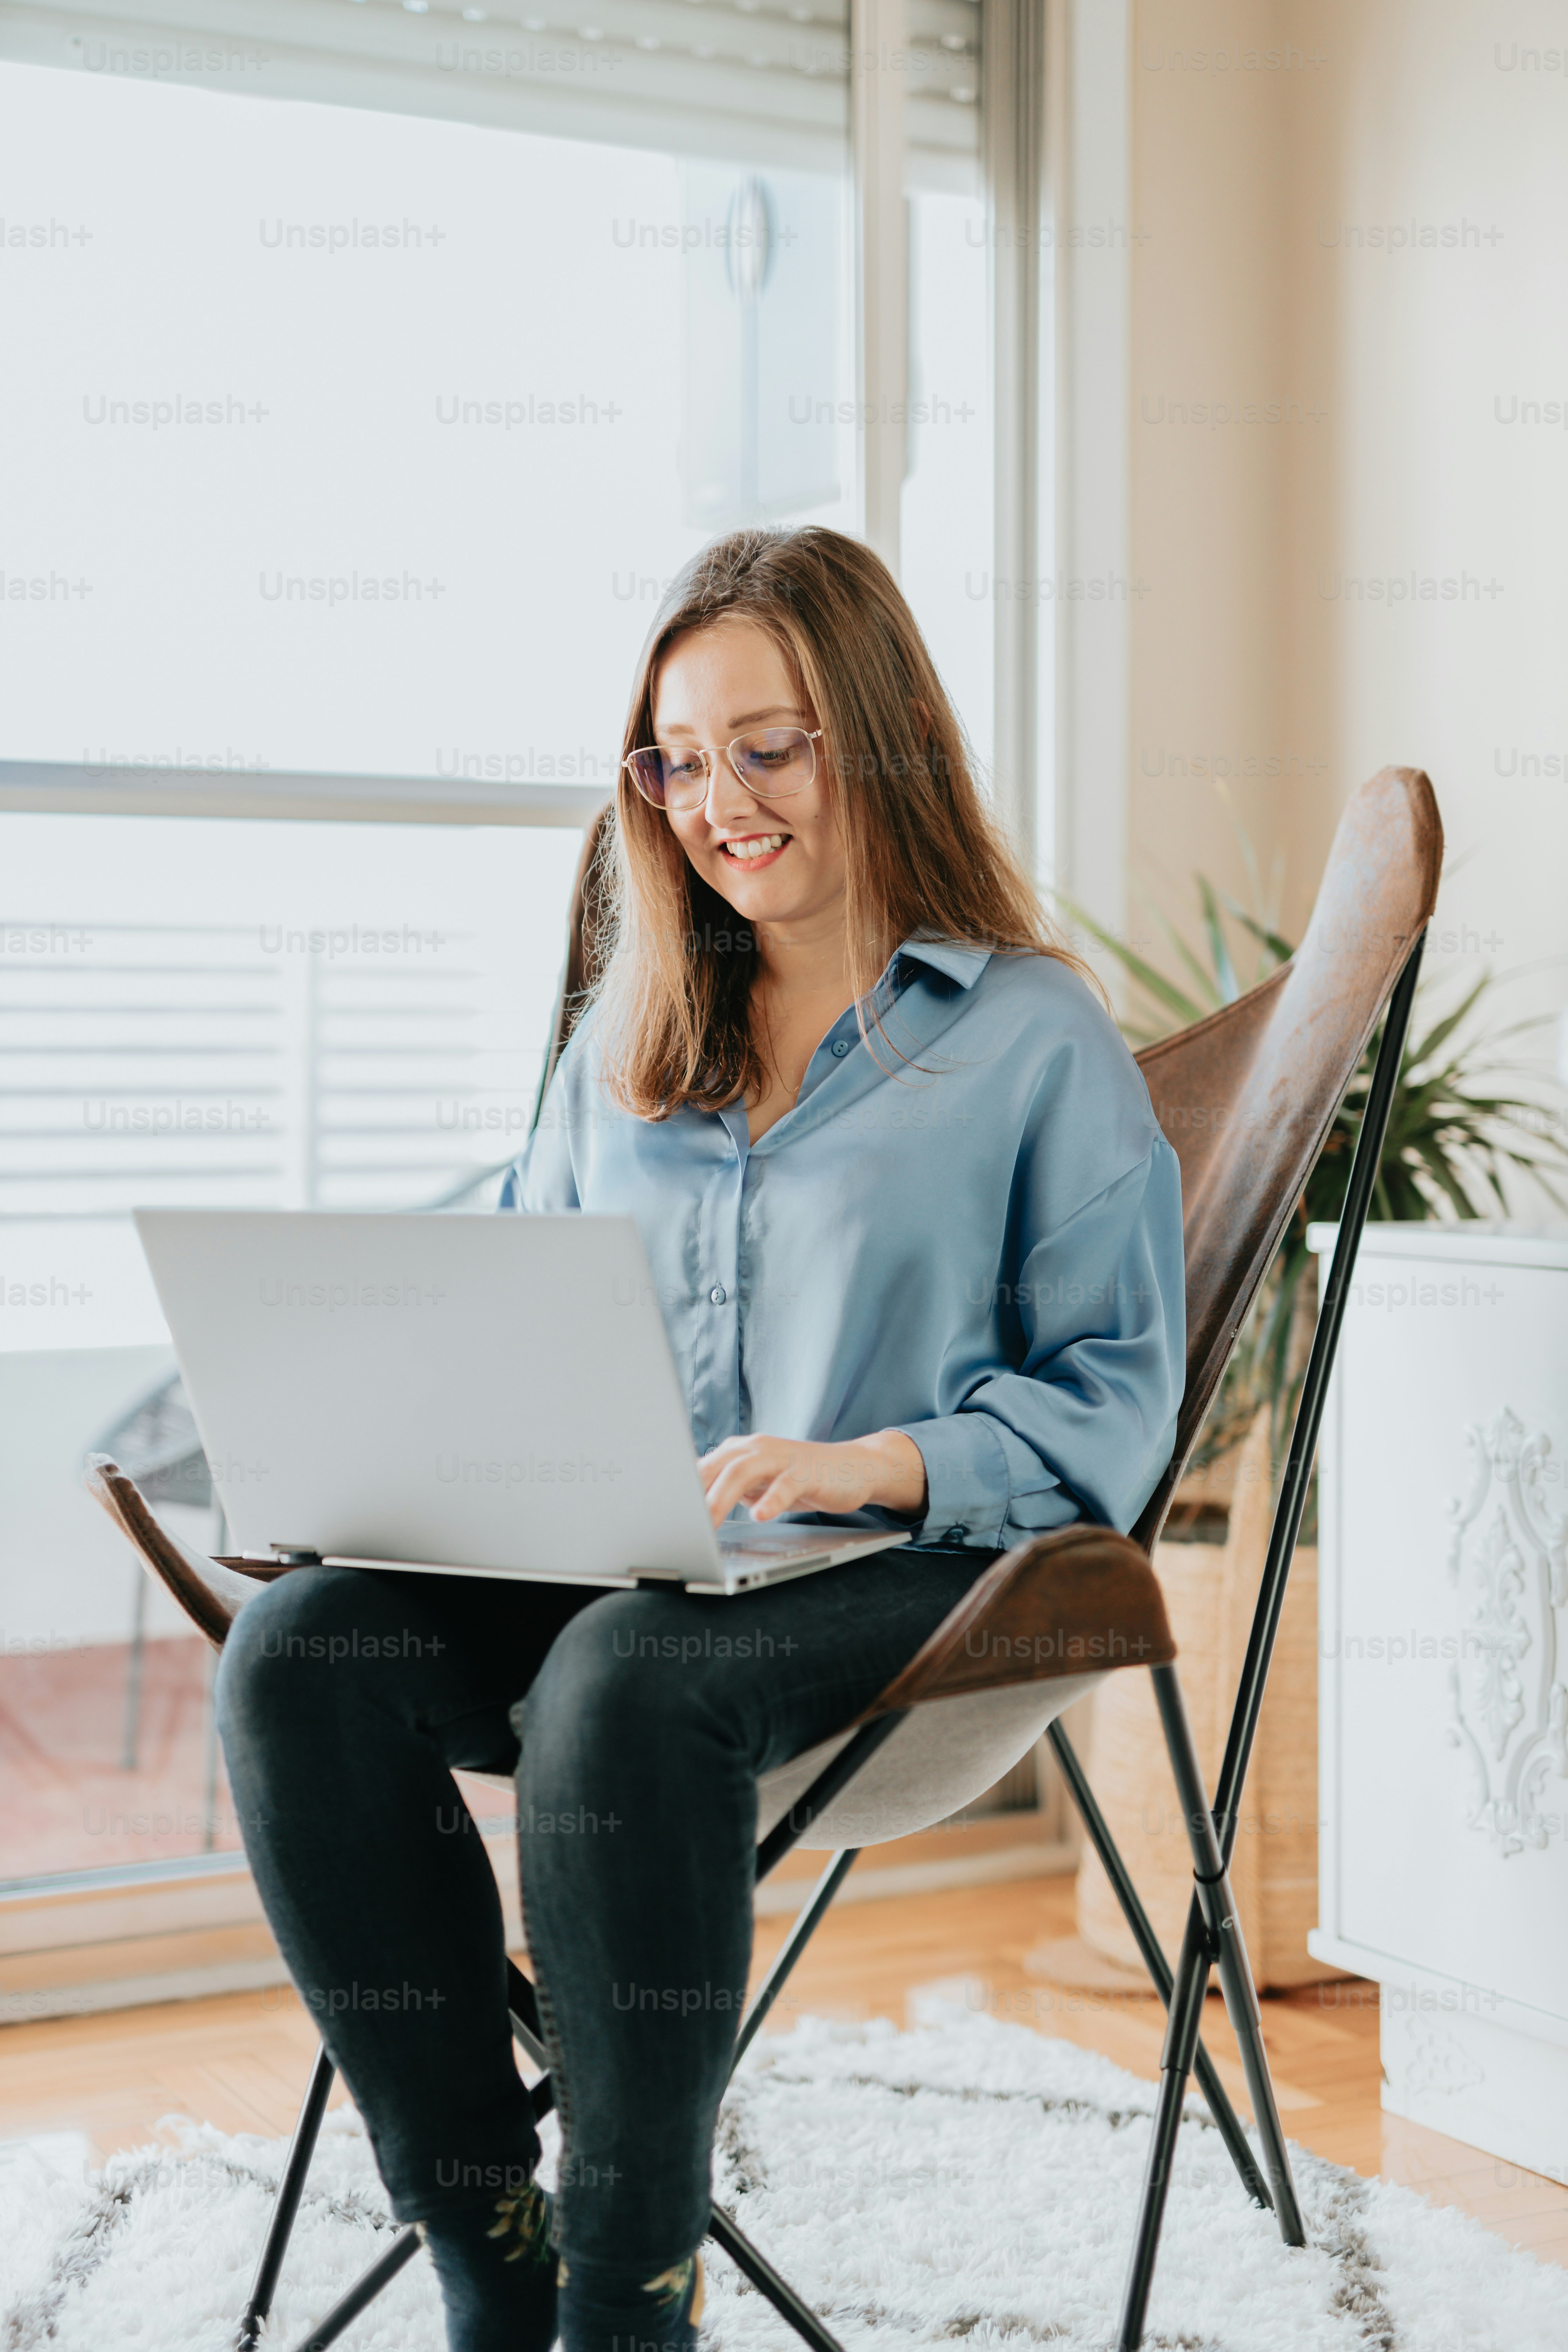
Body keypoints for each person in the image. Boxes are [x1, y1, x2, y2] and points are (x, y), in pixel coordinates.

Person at [217, 525, 1185, 2352]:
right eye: (680, 757)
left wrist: (870, 1462)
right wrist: (372, 1442)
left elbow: (1117, 1410)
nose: (719, 801)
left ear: (877, 735)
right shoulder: (628, 1041)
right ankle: (492, 2256)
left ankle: (631, 2295)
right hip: (630, 1563)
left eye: (772, 743)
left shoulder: (1032, 1040)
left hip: (922, 1582)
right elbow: (513, 1327)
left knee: (626, 1676)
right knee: (298, 1652)